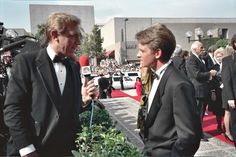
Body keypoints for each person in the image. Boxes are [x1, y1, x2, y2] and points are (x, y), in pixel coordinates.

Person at [3, 12, 96, 157]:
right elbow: (12, 109)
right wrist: (27, 149)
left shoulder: (74, 67)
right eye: (73, 36)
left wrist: (83, 102)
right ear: (54, 35)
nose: (78, 42)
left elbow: (67, 111)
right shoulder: (26, 62)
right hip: (31, 150)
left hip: (64, 151)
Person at [135, 23, 201, 157]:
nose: (138, 55)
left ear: (157, 53)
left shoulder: (179, 85)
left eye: (142, 51)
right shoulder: (156, 76)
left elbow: (189, 137)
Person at [186, 41, 217, 141]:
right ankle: (198, 134)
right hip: (198, 91)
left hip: (203, 90)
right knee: (198, 114)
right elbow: (197, 74)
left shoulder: (200, 58)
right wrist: (209, 74)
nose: (203, 49)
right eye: (201, 48)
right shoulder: (191, 60)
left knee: (201, 114)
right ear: (195, 49)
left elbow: (208, 68)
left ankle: (198, 133)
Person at [221, 34, 236, 147]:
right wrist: (230, 97)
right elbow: (226, 80)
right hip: (234, 96)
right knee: (234, 120)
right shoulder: (227, 60)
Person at [207, 48, 225, 134]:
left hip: (226, 90)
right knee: (218, 109)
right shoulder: (213, 67)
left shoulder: (227, 65)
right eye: (217, 57)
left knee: (226, 109)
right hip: (217, 91)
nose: (219, 58)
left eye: (220, 56)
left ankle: (226, 125)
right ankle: (219, 125)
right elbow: (211, 81)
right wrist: (212, 92)